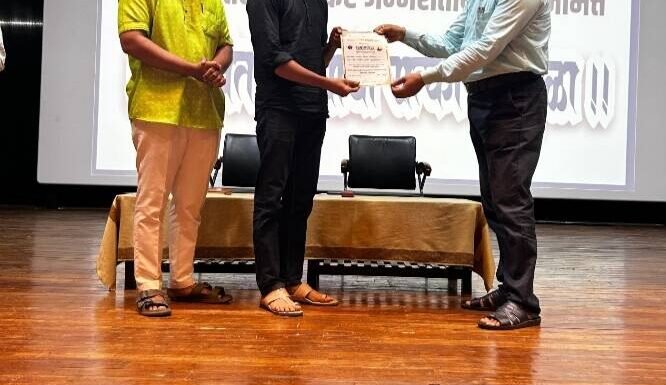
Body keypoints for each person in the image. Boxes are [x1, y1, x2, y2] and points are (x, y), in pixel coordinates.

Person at [376, 0, 551, 330]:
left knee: (510, 201)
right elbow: (452, 43)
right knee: (495, 202)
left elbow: (485, 49)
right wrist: (404, 34)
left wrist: (425, 78)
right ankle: (509, 289)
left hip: (514, 98)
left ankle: (523, 302)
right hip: (484, 98)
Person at [118, 0, 234, 317]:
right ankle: (149, 284)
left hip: (204, 111)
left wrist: (216, 66)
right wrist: (190, 69)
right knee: (152, 202)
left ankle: (182, 280)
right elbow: (131, 39)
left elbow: (226, 44)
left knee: (190, 206)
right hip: (157, 109)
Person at [246, 0, 360, 316]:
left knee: (301, 199)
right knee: (271, 198)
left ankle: (293, 280)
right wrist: (329, 84)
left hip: (312, 110)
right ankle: (271, 285)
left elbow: (314, 64)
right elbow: (276, 61)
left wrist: (331, 48)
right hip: (278, 109)